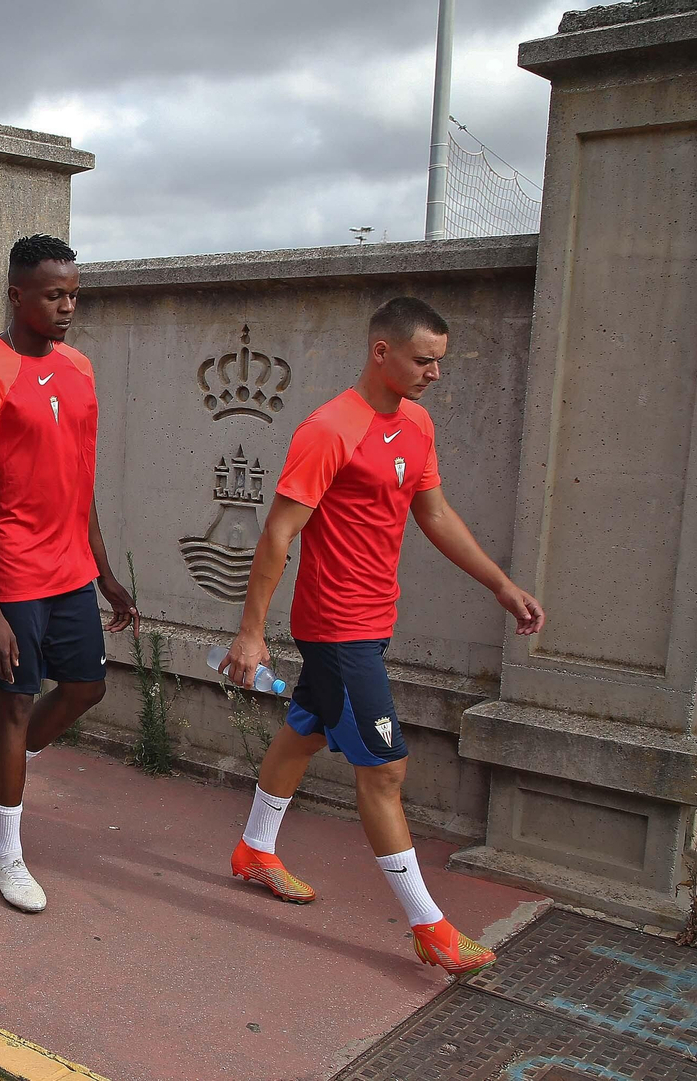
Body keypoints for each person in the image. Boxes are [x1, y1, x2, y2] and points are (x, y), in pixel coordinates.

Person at [215, 297, 545, 976]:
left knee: (306, 727)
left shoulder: (417, 425)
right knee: (385, 768)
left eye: (440, 362)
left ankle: (255, 848)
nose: (434, 373)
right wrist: (251, 633)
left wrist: (500, 584)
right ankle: (430, 926)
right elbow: (278, 532)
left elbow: (435, 513)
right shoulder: (329, 429)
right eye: (424, 360)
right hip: (336, 625)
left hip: (374, 616)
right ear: (382, 352)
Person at [0, 235, 137, 914]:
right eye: (54, 294)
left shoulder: (80, 368)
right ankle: (9, 853)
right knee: (15, 703)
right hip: (14, 572)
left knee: (86, 686)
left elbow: (78, 481)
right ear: (17, 294)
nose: (67, 306)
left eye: (73, 294)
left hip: (70, 570)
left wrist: (105, 571)